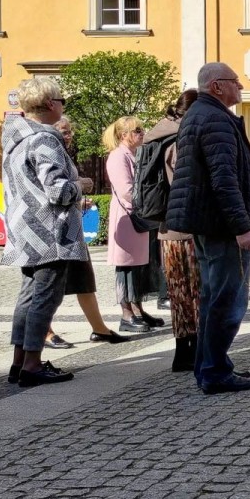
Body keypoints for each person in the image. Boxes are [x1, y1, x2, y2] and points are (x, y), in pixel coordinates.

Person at [166, 62, 250, 394]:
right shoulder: (215, 119)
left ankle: (209, 366)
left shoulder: (200, 114)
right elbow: (224, 181)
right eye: (235, 81)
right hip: (222, 226)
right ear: (217, 86)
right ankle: (214, 371)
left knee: (213, 298)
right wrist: (243, 226)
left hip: (209, 223)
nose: (241, 86)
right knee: (227, 301)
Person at [0, 77, 88, 387]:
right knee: (45, 299)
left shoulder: (15, 138)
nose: (63, 106)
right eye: (62, 100)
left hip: (24, 229)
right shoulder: (45, 139)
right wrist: (80, 186)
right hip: (50, 231)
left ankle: (19, 361)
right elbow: (57, 191)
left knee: (27, 298)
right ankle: (33, 365)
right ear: (50, 104)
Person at [43, 117, 128, 348]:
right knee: (50, 285)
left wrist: (78, 198)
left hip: (72, 229)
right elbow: (52, 192)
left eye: (70, 131)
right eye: (64, 131)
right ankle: (45, 331)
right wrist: (80, 185)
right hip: (54, 233)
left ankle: (99, 328)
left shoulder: (63, 154)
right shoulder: (47, 153)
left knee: (84, 280)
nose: (68, 135)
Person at [144, 90, 202, 372]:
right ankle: (199, 350)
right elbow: (188, 182)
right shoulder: (181, 139)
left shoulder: (158, 135)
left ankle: (182, 351)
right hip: (188, 227)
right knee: (198, 291)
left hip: (166, 228)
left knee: (178, 292)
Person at [103, 116, 165, 332]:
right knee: (127, 267)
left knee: (140, 266)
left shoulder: (134, 154)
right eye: (137, 130)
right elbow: (126, 190)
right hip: (127, 217)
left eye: (141, 129)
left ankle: (138, 309)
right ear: (124, 135)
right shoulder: (118, 156)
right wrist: (147, 204)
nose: (142, 133)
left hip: (139, 216)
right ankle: (126, 314)